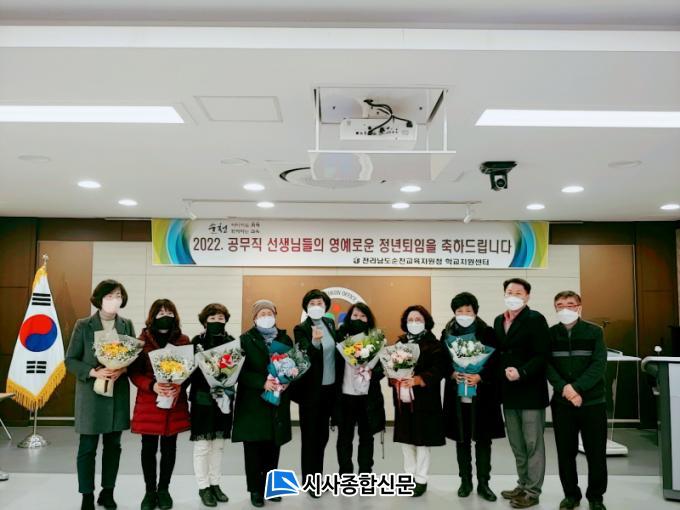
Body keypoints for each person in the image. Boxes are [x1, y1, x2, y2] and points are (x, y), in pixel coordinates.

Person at [65, 280, 135, 510]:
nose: (114, 300)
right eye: (109, 296)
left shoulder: (126, 325)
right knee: (87, 447)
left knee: (114, 446)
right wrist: (94, 372)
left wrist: (122, 369)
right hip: (91, 396)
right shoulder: (83, 325)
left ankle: (108, 492)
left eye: (118, 295)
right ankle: (86, 495)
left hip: (117, 394)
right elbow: (70, 360)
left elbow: (133, 358)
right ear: (99, 299)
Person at [547, 291, 608, 510]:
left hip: (593, 402)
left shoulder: (594, 332)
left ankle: (596, 497)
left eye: (570, 304)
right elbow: (548, 365)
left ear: (579, 307)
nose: (565, 309)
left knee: (596, 453)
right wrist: (565, 389)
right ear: (555, 308)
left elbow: (598, 364)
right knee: (565, 453)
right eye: (560, 305)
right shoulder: (550, 334)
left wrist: (576, 388)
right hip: (563, 404)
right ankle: (571, 495)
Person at [493, 278, 551, 509]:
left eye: (518, 292)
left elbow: (542, 354)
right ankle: (523, 483)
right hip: (508, 393)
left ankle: (533, 491)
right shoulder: (499, 320)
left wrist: (522, 372)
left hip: (530, 391)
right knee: (517, 444)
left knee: (532, 443)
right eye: (509, 292)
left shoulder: (535, 319)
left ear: (527, 296)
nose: (513, 296)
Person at [442, 292, 504, 502]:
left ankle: (484, 483)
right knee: (462, 439)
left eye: (468, 310)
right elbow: (442, 361)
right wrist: (452, 373)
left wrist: (480, 376)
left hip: (483, 396)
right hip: (457, 395)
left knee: (483, 440)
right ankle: (465, 481)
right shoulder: (447, 333)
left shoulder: (487, 333)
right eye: (459, 311)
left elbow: (496, 361)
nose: (464, 314)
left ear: (475, 312)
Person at [129, 299, 191, 510]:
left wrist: (180, 386)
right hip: (149, 403)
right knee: (148, 449)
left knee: (169, 449)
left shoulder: (183, 340)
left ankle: (164, 490)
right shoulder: (142, 341)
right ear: (153, 316)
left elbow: (190, 371)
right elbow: (134, 373)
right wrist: (153, 385)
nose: (166, 316)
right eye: (161, 312)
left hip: (174, 402)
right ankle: (149, 492)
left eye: (169, 312)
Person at [232, 300, 293, 508]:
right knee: (253, 448)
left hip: (277, 400)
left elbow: (293, 364)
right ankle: (255, 490)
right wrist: (262, 382)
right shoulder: (245, 340)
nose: (266, 316)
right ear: (255, 318)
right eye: (262, 313)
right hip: (253, 402)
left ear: (275, 315)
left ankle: (272, 487)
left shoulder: (285, 338)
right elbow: (238, 372)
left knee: (273, 447)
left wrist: (287, 380)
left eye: (269, 313)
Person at [390, 305, 449, 497]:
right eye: (410, 320)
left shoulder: (434, 344)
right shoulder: (400, 343)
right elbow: (391, 368)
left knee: (423, 441)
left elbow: (440, 369)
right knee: (406, 440)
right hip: (403, 400)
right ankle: (409, 476)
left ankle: (421, 479)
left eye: (418, 319)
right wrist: (395, 378)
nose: (414, 323)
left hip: (425, 400)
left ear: (426, 322)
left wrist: (418, 379)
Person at [189, 303, 236, 507]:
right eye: (212, 318)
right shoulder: (196, 342)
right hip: (202, 399)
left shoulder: (232, 342)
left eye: (220, 318)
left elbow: (236, 370)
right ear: (204, 321)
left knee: (218, 445)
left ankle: (215, 484)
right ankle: (203, 487)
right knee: (202, 446)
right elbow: (189, 371)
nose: (217, 321)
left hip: (224, 399)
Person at [293, 289, 338, 488]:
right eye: (312, 303)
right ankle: (310, 481)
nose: (316, 306)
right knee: (310, 437)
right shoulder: (301, 328)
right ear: (306, 307)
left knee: (323, 437)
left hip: (330, 389)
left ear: (325, 306)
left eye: (319, 303)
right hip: (311, 392)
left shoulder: (330, 324)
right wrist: (315, 342)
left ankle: (317, 476)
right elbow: (305, 355)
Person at [334, 302, 386, 475]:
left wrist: (371, 371)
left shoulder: (376, 338)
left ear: (368, 319)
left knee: (367, 437)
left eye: (363, 316)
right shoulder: (339, 337)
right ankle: (345, 474)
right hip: (345, 396)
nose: (358, 319)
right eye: (355, 315)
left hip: (368, 397)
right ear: (349, 317)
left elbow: (384, 367)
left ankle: (365, 473)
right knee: (344, 438)